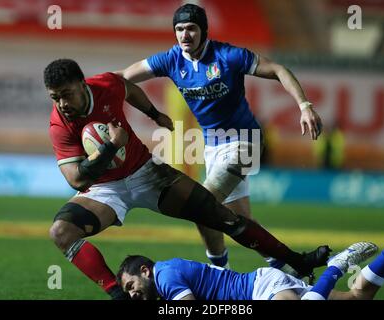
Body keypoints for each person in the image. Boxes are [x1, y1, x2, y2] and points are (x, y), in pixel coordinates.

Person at [44, 58, 330, 300]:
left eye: (66, 94)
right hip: (105, 189)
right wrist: (109, 147)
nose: (61, 103)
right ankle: (118, 296)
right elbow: (77, 180)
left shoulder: (106, 84)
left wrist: (154, 114)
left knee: (219, 215)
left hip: (147, 172)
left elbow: (129, 89)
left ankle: (297, 260)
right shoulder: (59, 123)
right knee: (61, 232)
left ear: (83, 84)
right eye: (55, 97)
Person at [115, 3, 324, 271]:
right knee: (241, 218)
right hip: (213, 147)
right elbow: (122, 77)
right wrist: (89, 89)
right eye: (179, 29)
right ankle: (290, 268)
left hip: (246, 141)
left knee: (202, 204)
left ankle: (218, 273)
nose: (184, 35)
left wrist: (305, 106)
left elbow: (279, 70)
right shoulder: (171, 59)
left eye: (191, 28)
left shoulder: (228, 55)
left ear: (204, 31)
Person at [116, 220, 384, 300]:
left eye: (131, 285)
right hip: (265, 286)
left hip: (259, 290)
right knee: (358, 297)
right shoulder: (166, 275)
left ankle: (337, 264)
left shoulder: (165, 277)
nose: (132, 294)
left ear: (145, 270)